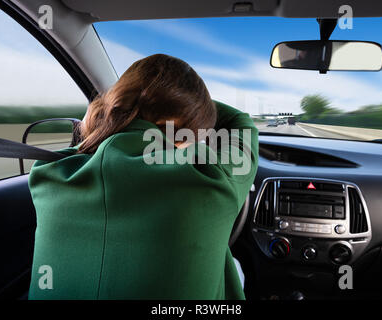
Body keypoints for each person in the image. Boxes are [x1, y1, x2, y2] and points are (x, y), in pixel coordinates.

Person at [28, 54, 258, 299]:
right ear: (174, 126)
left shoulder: (47, 171)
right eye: (191, 136)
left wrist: (130, 103)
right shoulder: (209, 176)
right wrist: (193, 104)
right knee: (237, 269)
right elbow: (239, 122)